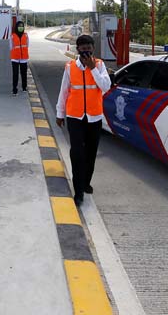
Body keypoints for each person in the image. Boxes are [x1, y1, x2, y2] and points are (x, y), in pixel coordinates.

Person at [56, 34, 111, 206]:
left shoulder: (100, 65)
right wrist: (60, 113)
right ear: (78, 49)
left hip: (94, 117)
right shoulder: (70, 67)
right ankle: (78, 190)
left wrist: (93, 68)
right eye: (83, 47)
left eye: (89, 47)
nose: (86, 50)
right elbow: (64, 91)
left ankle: (86, 182)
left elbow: (106, 86)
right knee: (77, 154)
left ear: (93, 48)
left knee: (91, 153)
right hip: (75, 117)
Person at [10, 20, 29, 96]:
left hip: (23, 58)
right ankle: (14, 89)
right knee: (15, 74)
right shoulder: (12, 36)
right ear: (16, 27)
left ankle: (24, 87)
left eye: (22, 26)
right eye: (19, 26)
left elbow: (27, 45)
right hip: (15, 58)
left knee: (24, 73)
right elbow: (10, 47)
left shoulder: (26, 35)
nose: (20, 27)